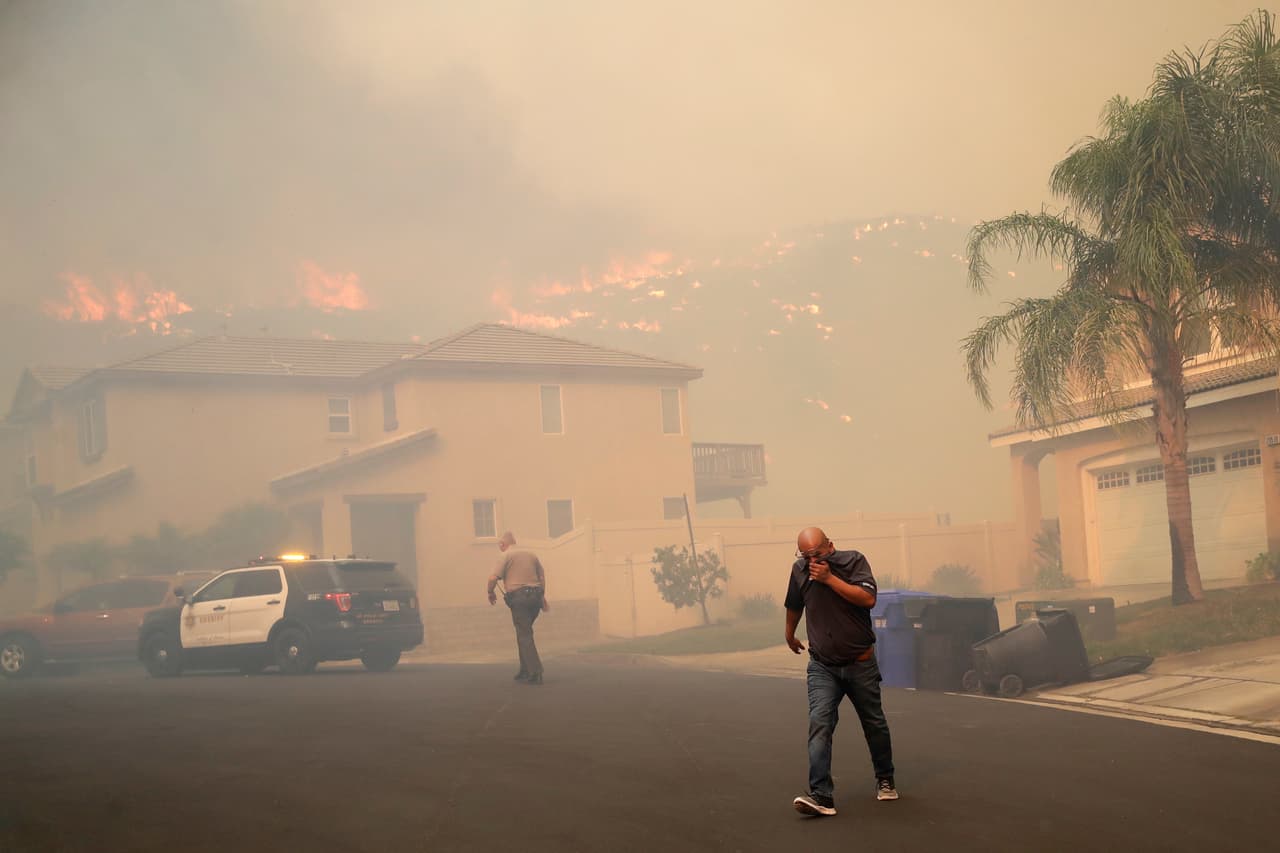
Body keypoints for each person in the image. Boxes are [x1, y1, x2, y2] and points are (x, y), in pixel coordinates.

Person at [784, 526, 897, 816]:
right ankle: (821, 796)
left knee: (874, 723)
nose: (812, 561)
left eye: (817, 554)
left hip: (860, 663)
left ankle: (885, 778)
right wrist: (789, 633)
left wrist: (829, 579)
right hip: (823, 666)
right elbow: (794, 604)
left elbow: (868, 599)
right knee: (819, 722)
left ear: (830, 546)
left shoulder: (854, 561)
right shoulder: (799, 571)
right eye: (806, 556)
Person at [486, 531, 550, 684]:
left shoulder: (505, 555)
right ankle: (524, 670)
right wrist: (542, 596)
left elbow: (493, 578)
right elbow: (541, 576)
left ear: (503, 544)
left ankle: (535, 671)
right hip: (535, 597)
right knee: (524, 632)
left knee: (524, 634)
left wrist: (490, 592)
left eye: (500, 545)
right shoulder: (531, 555)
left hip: (520, 599)